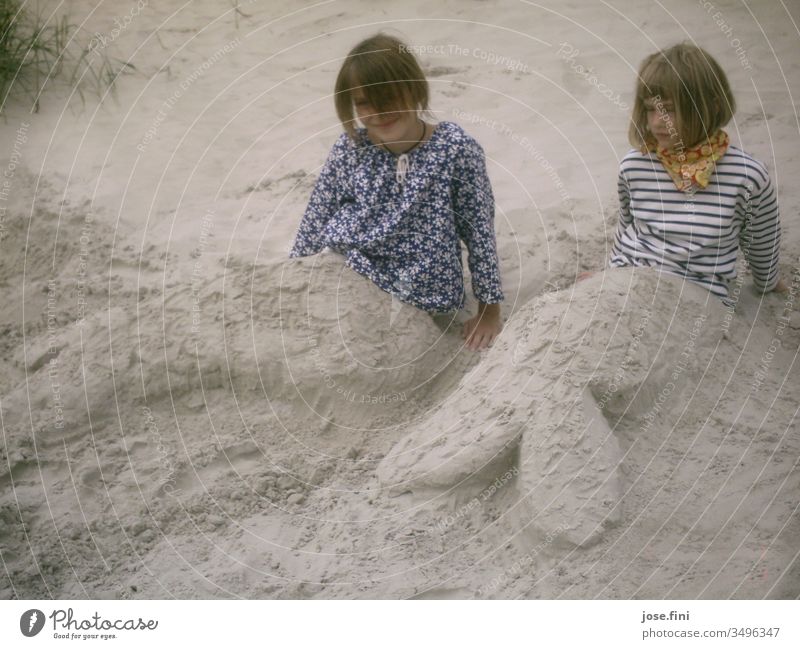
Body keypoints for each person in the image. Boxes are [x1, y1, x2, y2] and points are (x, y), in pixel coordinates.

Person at [289, 33, 504, 350]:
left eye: (389, 97)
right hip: (353, 265)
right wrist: (295, 275)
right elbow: (317, 216)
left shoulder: (454, 149)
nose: (378, 112)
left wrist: (489, 310)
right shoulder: (351, 149)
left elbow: (478, 230)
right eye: (364, 102)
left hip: (425, 287)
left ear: (414, 89)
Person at [592, 43, 786, 300]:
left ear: (712, 106)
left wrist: (768, 283)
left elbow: (761, 242)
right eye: (651, 109)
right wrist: (608, 274)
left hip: (696, 296)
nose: (657, 121)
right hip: (628, 281)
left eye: (669, 110)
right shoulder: (636, 164)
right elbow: (628, 226)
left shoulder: (746, 176)